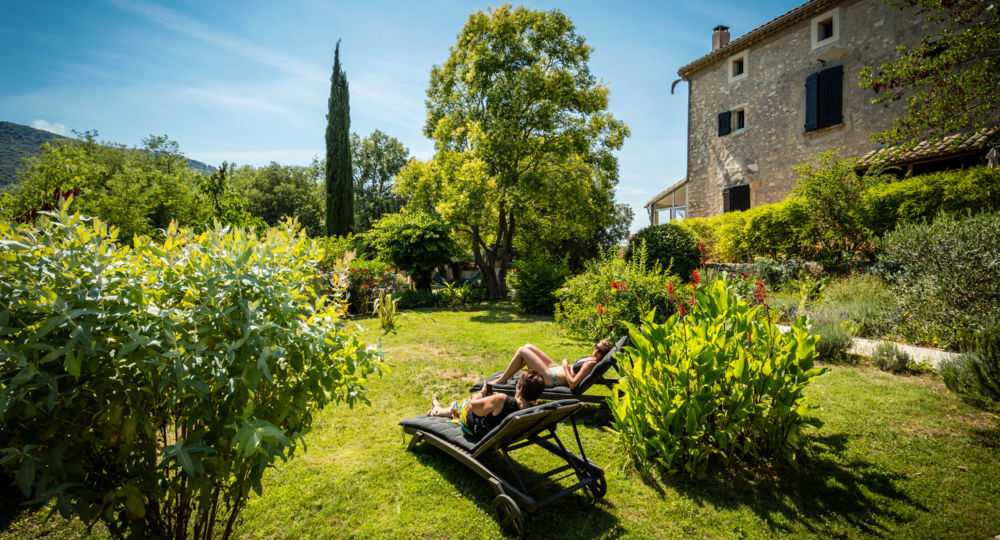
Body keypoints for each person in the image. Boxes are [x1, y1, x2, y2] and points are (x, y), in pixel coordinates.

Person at [427, 370, 545, 441]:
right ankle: (445, 408)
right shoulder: (529, 412)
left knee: (465, 403)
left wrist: (483, 392)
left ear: (521, 388)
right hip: (496, 436)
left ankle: (437, 410)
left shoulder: (502, 400)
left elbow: (473, 406)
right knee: (468, 404)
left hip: (475, 431)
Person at [491, 339, 613, 389]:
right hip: (553, 369)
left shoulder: (591, 364)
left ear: (603, 355)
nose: (596, 351)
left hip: (550, 378)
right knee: (528, 346)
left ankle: (503, 380)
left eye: (600, 351)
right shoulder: (592, 358)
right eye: (597, 346)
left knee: (523, 351)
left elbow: (573, 384)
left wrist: (565, 366)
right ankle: (509, 375)